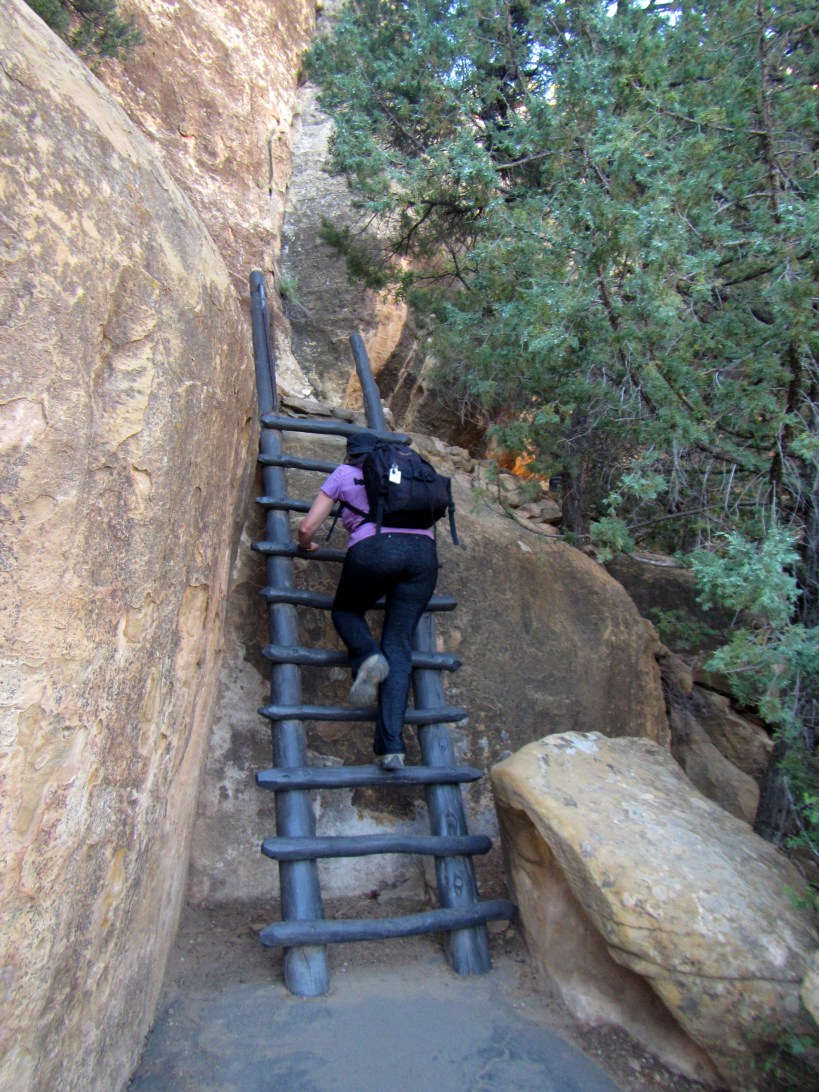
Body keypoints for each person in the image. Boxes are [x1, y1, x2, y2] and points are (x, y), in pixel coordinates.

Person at [297, 432, 439, 770]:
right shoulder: (406, 473)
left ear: (350, 454)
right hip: (423, 556)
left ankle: (368, 657)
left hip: (374, 548)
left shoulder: (344, 473)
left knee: (346, 611)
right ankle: (392, 749)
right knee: (399, 644)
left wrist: (305, 546)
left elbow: (307, 528)